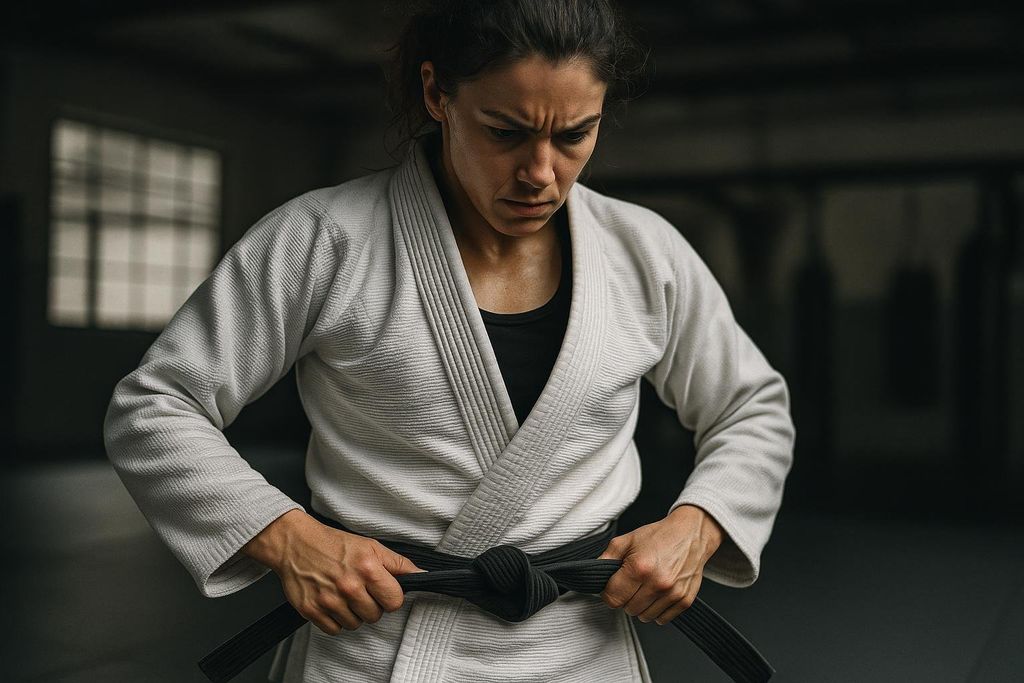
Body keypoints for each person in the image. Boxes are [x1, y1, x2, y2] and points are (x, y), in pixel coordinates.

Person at [103, 1, 795, 681]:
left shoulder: (646, 254)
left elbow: (752, 406)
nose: (540, 172)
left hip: (581, 651)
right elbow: (156, 405)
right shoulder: (326, 239)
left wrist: (698, 525)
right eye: (505, 131)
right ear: (437, 93)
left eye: (575, 135)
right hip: (374, 650)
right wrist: (286, 537)